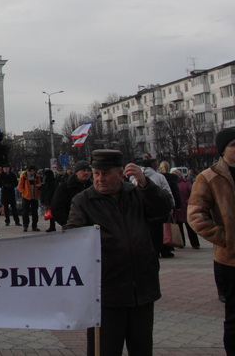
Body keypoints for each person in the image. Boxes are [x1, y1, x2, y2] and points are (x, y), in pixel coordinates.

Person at [65, 149, 171, 356]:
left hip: (142, 289)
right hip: (106, 293)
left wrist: (146, 184)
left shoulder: (137, 194)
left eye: (105, 174)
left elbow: (163, 209)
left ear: (120, 174)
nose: (99, 179)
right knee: (104, 349)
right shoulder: (83, 200)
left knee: (142, 349)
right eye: (96, 174)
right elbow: (73, 237)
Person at [188, 127, 235, 355]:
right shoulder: (209, 177)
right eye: (234, 145)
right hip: (230, 260)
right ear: (223, 150)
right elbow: (196, 215)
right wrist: (225, 238)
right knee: (234, 316)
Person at [50, 160, 91, 227]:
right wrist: (67, 223)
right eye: (83, 170)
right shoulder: (65, 188)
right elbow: (57, 208)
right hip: (73, 226)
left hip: (92, 228)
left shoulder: (94, 187)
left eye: (88, 170)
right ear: (76, 172)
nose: (86, 173)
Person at [17, 165, 41, 232]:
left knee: (35, 212)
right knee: (25, 212)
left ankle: (34, 226)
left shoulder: (36, 176)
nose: (34, 172)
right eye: (34, 171)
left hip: (34, 197)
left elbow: (39, 184)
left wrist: (38, 187)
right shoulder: (24, 176)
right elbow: (20, 187)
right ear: (31, 170)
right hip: (26, 197)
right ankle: (25, 226)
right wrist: (24, 192)